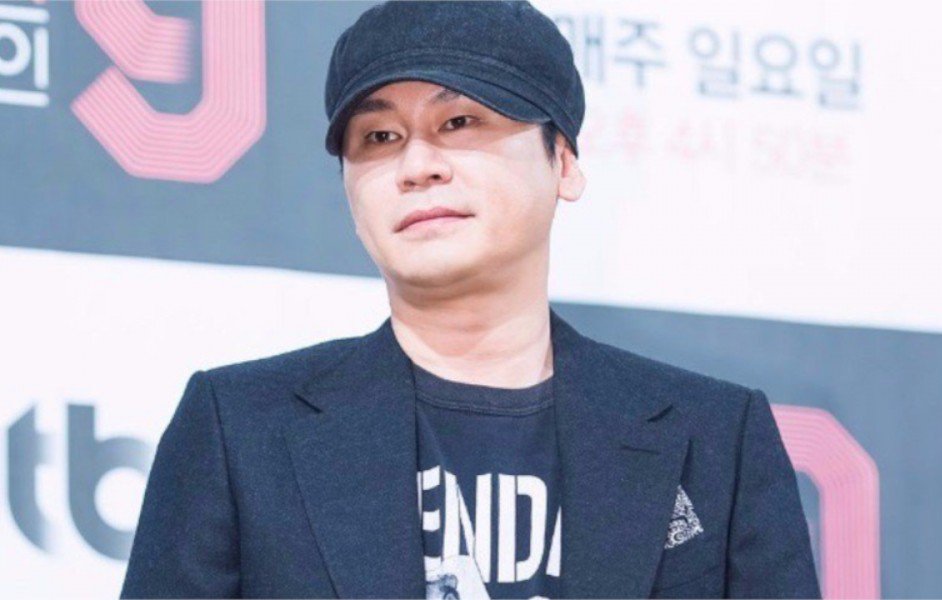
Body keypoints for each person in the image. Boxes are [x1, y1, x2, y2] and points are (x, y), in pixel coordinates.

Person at [120, 2, 821, 599]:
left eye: (460, 123)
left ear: (563, 161)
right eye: (379, 137)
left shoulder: (715, 437)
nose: (417, 165)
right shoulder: (241, 429)